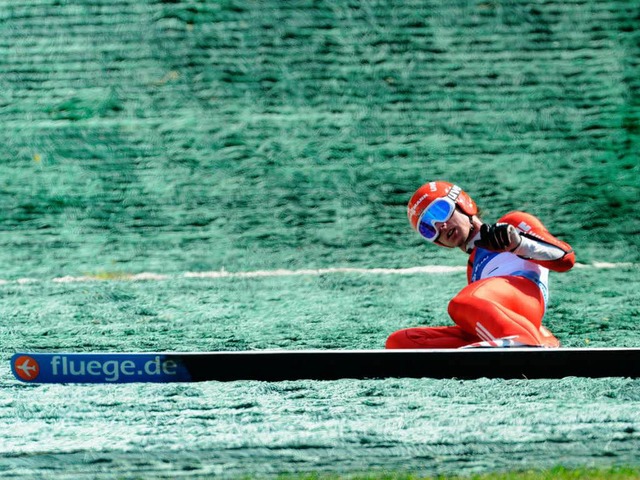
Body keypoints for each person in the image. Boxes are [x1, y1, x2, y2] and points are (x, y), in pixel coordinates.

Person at [386, 181, 575, 349]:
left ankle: (526, 340)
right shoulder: (473, 269)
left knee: (463, 303)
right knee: (401, 342)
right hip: (506, 316)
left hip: (527, 296)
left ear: (462, 203)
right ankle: (533, 337)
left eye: (439, 212)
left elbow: (566, 258)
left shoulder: (512, 222)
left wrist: (519, 245)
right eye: (428, 228)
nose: (440, 226)